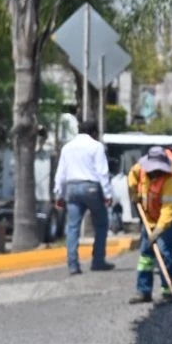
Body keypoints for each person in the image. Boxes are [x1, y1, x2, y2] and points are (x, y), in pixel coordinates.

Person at [53, 117, 115, 275]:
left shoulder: (67, 147)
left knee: (73, 227)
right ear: (94, 132)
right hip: (91, 188)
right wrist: (108, 194)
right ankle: (98, 261)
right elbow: (102, 172)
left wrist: (59, 194)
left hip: (72, 188)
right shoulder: (96, 146)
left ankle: (73, 264)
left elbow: (61, 173)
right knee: (101, 224)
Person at [127, 146, 172, 304]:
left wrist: (157, 232)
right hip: (148, 219)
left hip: (165, 224)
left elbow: (169, 211)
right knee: (146, 258)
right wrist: (133, 192)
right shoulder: (141, 169)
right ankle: (144, 291)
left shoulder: (171, 181)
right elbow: (132, 175)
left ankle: (167, 291)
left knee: (165, 255)